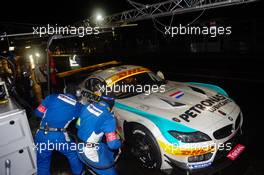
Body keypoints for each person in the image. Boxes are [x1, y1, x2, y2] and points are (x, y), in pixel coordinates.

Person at [34, 87, 84, 175]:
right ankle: (79, 172)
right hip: (58, 137)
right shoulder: (78, 106)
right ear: (77, 95)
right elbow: (81, 121)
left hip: (41, 134)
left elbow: (38, 113)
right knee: (73, 153)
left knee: (43, 162)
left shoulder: (51, 97)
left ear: (64, 91)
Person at [76, 95, 121, 175]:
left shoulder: (87, 106)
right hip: (88, 153)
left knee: (106, 150)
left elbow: (78, 125)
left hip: (78, 146)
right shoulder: (109, 118)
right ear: (112, 105)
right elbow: (113, 145)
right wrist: (119, 141)